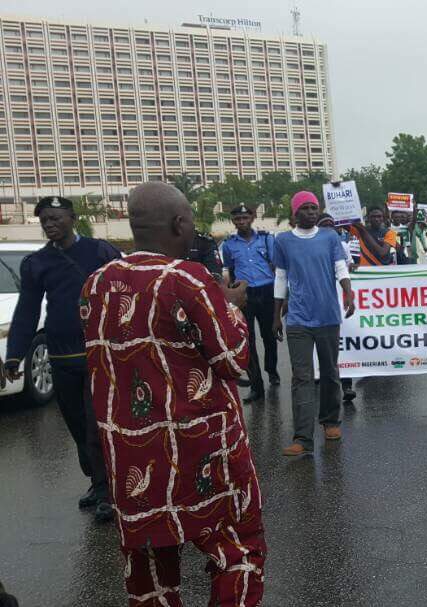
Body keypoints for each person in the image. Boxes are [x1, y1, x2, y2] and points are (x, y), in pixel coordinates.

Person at [82, 181, 265, 606]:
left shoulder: (97, 282)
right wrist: (232, 305)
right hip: (201, 452)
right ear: (179, 223)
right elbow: (235, 361)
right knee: (237, 549)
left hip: (130, 453)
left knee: (148, 567)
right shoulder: (188, 279)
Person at [2, 195, 122, 523]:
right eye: (44, 221)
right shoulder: (36, 263)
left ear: (72, 217)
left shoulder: (101, 252)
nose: (50, 224)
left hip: (99, 353)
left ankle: (108, 490)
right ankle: (96, 480)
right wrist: (14, 357)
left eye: (56, 218)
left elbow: (125, 293)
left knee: (96, 424)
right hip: (61, 356)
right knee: (76, 423)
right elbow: (27, 310)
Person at [273, 191, 356, 456]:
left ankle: (330, 421)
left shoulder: (329, 237)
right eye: (305, 208)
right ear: (295, 213)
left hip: (328, 316)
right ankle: (302, 438)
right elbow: (281, 277)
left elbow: (340, 268)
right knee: (302, 377)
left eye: (314, 208)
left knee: (330, 371)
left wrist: (348, 291)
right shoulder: (283, 240)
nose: (311, 212)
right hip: (297, 318)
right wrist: (277, 315)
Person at [221, 204, 280, 404]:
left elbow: (274, 265)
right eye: (237, 219)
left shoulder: (265, 238)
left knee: (270, 335)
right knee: (248, 340)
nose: (242, 222)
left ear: (252, 218)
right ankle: (256, 386)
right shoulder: (228, 244)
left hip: (266, 290)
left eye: (245, 218)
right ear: (233, 222)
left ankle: (272, 370)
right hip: (244, 294)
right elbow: (230, 267)